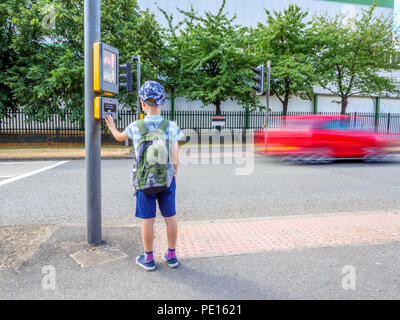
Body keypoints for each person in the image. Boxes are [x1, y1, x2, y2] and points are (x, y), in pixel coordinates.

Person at [105, 80, 184, 271]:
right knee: (170, 217)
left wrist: (112, 126)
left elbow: (118, 137)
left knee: (147, 220)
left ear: (142, 103)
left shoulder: (135, 126)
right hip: (166, 179)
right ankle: (171, 256)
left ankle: (148, 258)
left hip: (144, 180)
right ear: (162, 103)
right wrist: (173, 177)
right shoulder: (171, 126)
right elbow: (175, 157)